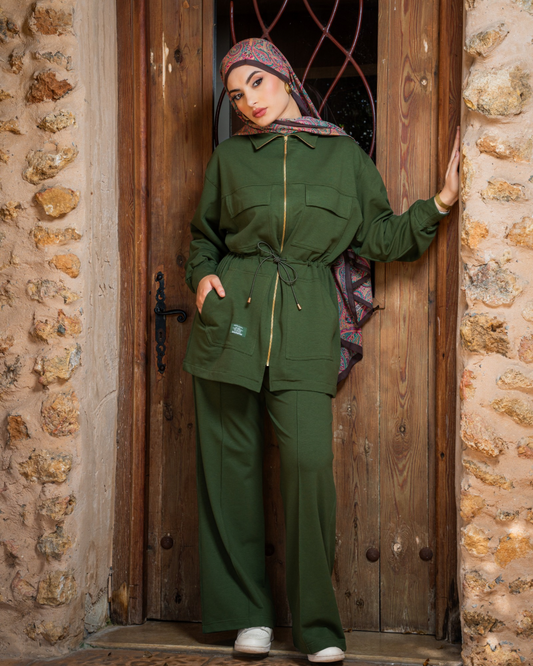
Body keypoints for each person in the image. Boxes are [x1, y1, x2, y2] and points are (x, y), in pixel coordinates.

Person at [182, 37, 460, 664]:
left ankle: (316, 627)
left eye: (257, 83)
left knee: (308, 470)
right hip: (229, 326)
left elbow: (381, 237)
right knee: (229, 472)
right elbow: (203, 237)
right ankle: (248, 617)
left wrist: (441, 203)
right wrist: (202, 276)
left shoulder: (341, 154)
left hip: (307, 323)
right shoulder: (229, 159)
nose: (249, 101)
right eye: (236, 95)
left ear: (283, 76)